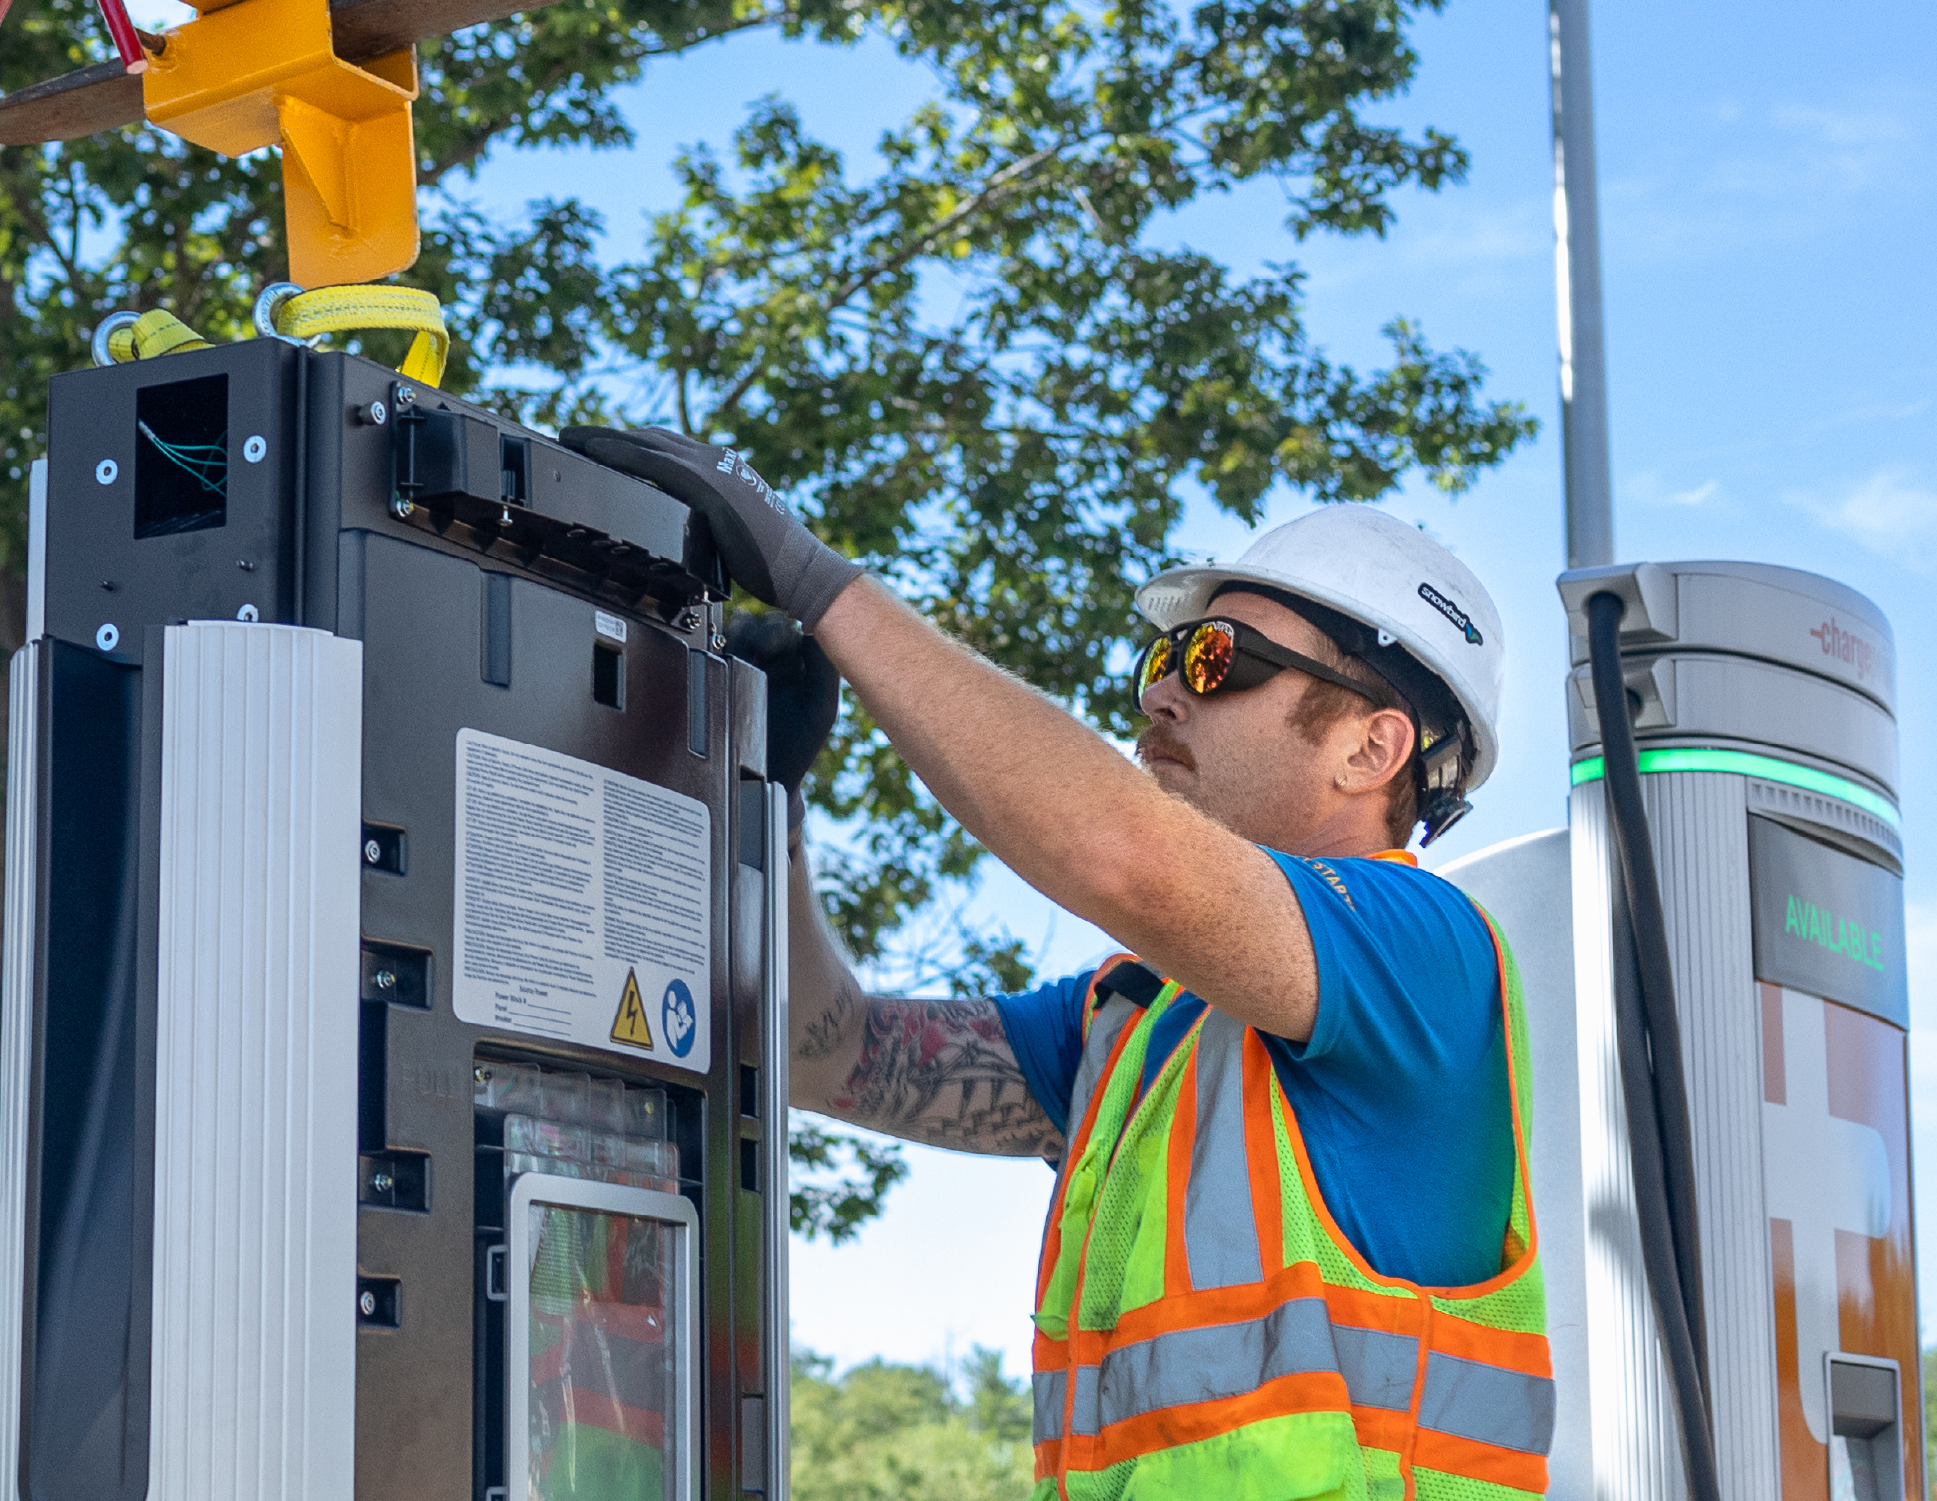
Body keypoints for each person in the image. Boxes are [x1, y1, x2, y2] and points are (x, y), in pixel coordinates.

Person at [561, 426, 1553, 1497]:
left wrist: (817, 585)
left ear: (1372, 747)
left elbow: (1118, 854)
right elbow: (829, 1056)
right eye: (1163, 660)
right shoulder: (1131, 1024)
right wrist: (776, 803)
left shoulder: (1426, 952)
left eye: (1217, 662)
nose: (1160, 695)